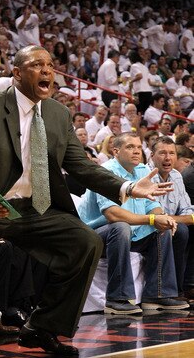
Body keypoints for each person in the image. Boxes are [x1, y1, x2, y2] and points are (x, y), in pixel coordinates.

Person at [0, 45, 174, 358]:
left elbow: (81, 166)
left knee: (86, 242)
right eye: (37, 64)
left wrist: (129, 186)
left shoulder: (58, 113)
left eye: (51, 64)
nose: (47, 70)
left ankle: (41, 327)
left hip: (30, 208)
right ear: (18, 73)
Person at [78, 132, 189, 314]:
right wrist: (152, 219)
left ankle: (157, 295)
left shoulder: (143, 171)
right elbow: (113, 214)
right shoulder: (106, 171)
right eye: (130, 147)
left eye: (138, 147)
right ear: (115, 151)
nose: (136, 151)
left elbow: (152, 205)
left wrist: (162, 217)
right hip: (95, 235)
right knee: (121, 227)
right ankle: (117, 298)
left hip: (131, 232)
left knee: (162, 228)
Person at [150, 136, 194, 296]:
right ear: (151, 156)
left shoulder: (176, 176)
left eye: (172, 153)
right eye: (162, 153)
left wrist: (172, 219)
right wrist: (172, 219)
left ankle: (188, 284)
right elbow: (154, 215)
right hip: (146, 225)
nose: (168, 158)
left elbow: (188, 212)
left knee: (184, 228)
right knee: (179, 231)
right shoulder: (144, 174)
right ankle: (173, 291)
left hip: (170, 224)